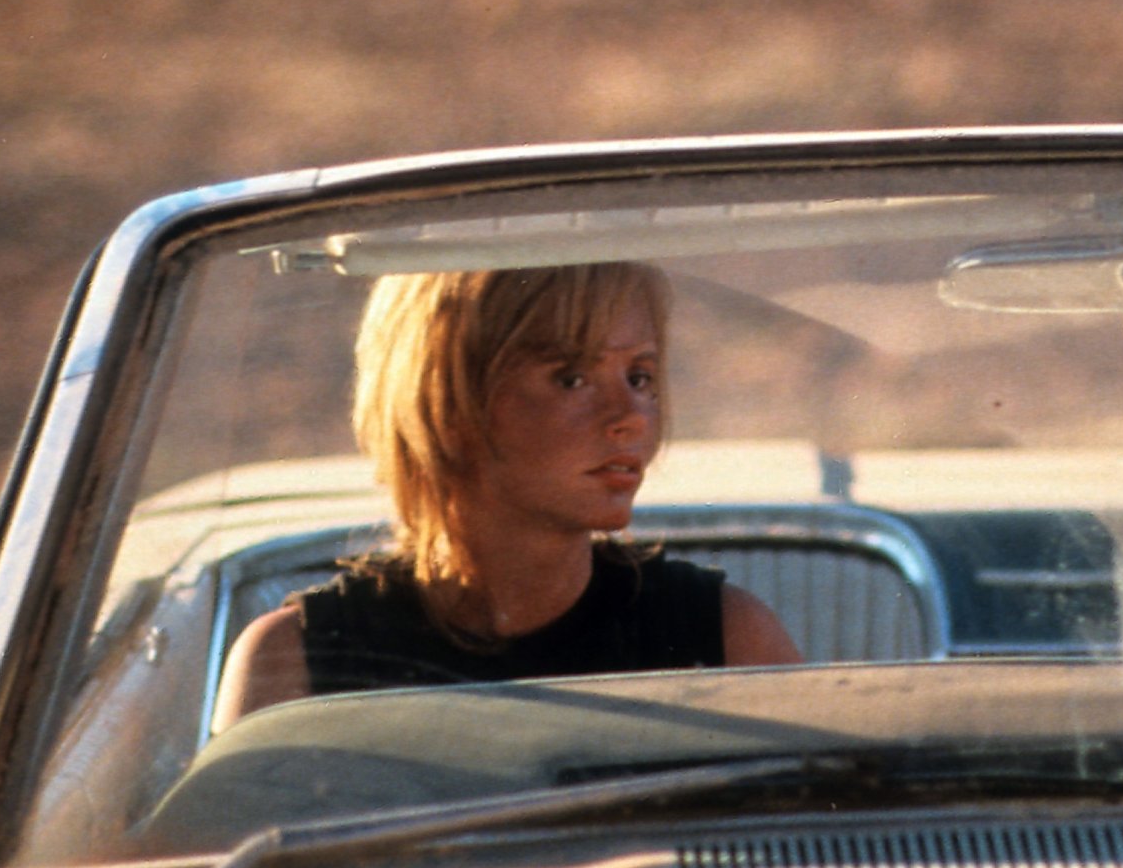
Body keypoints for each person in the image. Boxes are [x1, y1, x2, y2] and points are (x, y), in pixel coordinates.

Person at [215, 261, 799, 724]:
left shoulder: (724, 638)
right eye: (571, 377)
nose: (631, 418)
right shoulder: (297, 659)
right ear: (447, 400)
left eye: (639, 377)